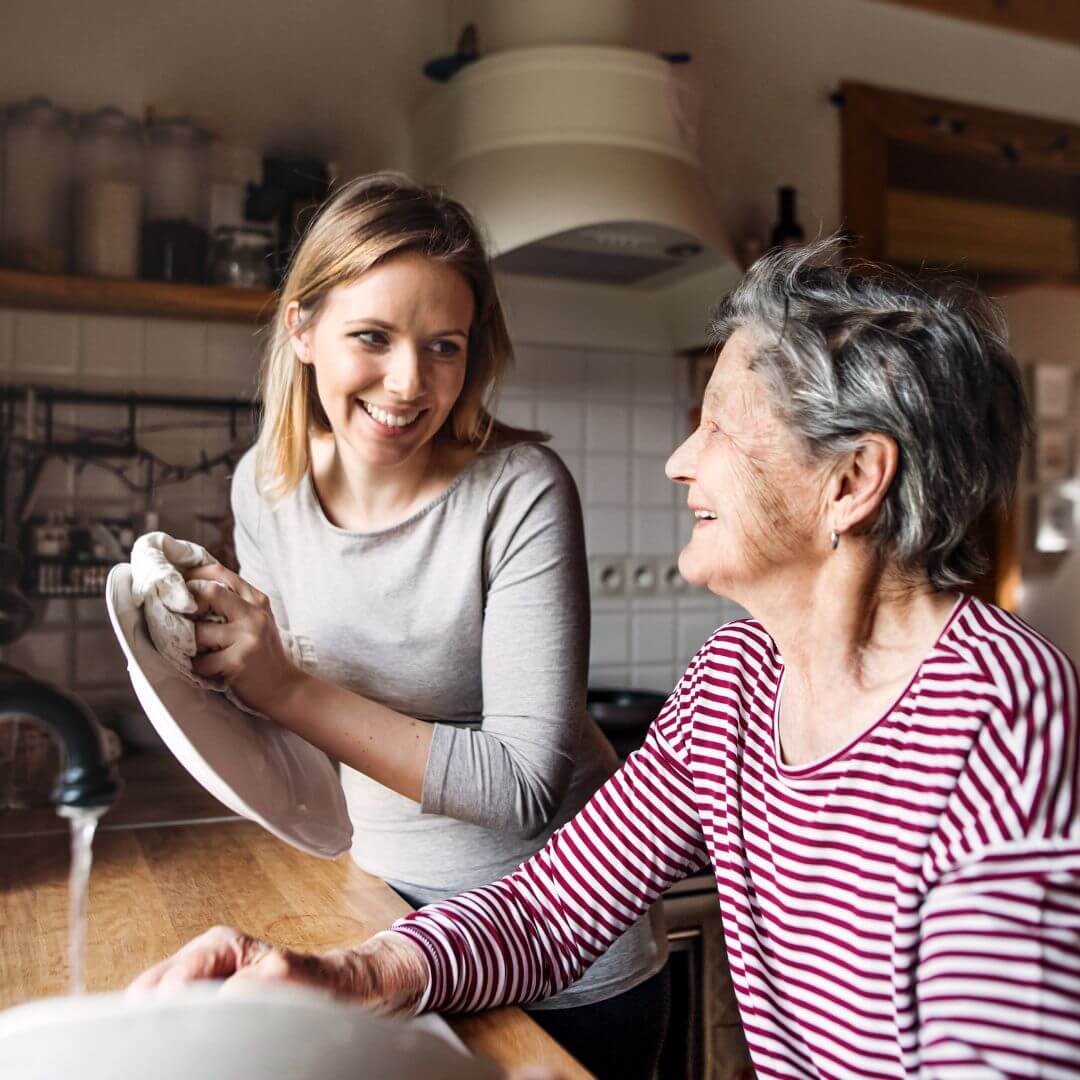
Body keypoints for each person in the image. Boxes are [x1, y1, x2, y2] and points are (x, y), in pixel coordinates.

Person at [133, 240, 1080, 1077]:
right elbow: (552, 909)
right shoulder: (738, 679)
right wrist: (345, 975)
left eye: (716, 425)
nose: (679, 461)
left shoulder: (1002, 709)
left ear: (850, 481)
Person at [137, 173, 668, 1077]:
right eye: (372, 337)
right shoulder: (265, 487)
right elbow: (290, 735)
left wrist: (284, 685)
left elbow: (524, 787)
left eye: (444, 347)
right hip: (378, 917)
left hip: (561, 954)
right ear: (302, 330)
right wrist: (211, 658)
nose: (409, 382)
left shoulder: (521, 492)